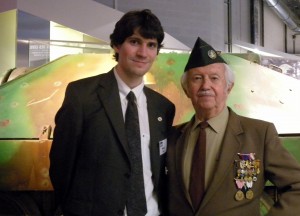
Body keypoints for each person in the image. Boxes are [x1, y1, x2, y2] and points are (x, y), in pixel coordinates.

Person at [49, 9, 175, 216]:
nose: (143, 53)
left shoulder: (163, 107)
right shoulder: (82, 96)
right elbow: (61, 166)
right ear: (117, 45)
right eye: (134, 42)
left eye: (151, 45)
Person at [167, 37, 300, 216]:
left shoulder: (259, 134)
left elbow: (296, 186)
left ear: (228, 87)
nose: (206, 85)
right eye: (197, 78)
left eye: (214, 78)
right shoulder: (173, 137)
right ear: (186, 89)